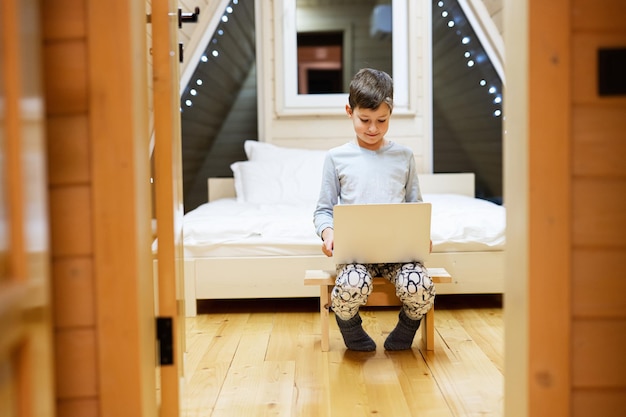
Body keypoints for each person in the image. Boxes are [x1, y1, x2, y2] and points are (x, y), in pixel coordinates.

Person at [313, 68, 435, 352]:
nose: (373, 128)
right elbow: (323, 210)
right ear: (349, 111)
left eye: (382, 120)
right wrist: (328, 234)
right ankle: (350, 329)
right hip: (356, 253)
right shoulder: (336, 158)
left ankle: (407, 328)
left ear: (390, 113)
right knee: (349, 286)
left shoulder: (404, 156)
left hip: (400, 253)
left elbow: (416, 206)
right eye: (364, 120)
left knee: (421, 288)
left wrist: (422, 235)